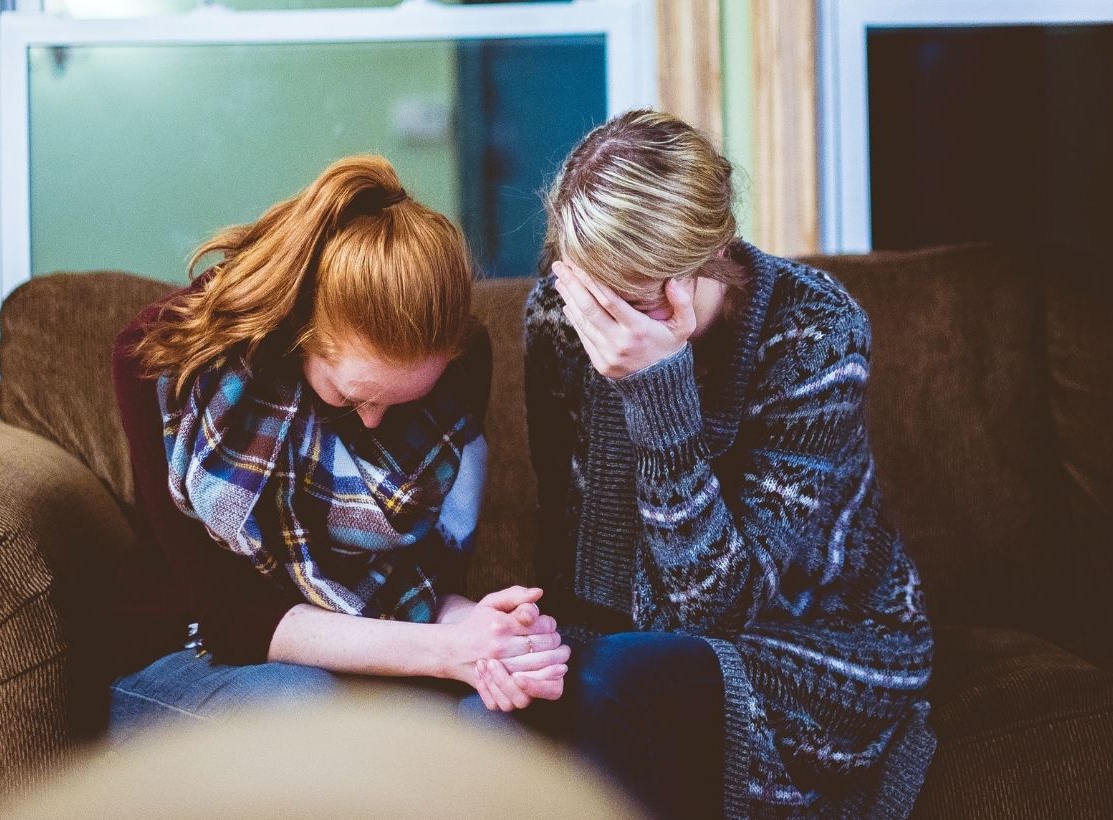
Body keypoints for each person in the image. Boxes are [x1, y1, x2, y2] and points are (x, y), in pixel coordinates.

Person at [522, 110, 937, 818]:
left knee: (620, 682)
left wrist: (659, 393)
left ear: (707, 257)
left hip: (814, 641)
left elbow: (717, 610)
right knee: (503, 704)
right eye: (591, 290)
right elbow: (573, 547)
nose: (605, 322)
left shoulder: (816, 332)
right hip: (627, 639)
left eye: (635, 296)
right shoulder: (561, 319)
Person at [108, 155, 567, 740]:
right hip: (186, 649)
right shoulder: (163, 361)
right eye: (351, 399)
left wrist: (488, 634)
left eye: (400, 404)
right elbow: (232, 620)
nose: (375, 424)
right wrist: (444, 651)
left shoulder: (459, 364)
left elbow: (420, 583)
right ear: (299, 332)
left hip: (369, 644)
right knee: (306, 708)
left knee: (500, 720)